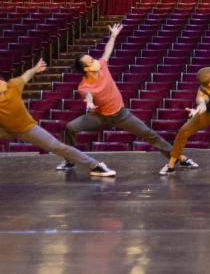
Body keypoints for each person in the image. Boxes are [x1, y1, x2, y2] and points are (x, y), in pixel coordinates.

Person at [0, 59, 116, 179]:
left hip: (27, 128)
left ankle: (96, 166)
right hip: (1, 128)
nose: (2, 82)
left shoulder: (13, 86)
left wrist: (35, 68)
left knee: (57, 146)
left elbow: (26, 75)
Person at [63, 23, 197, 175]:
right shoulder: (84, 86)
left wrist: (113, 36)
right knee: (70, 127)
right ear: (86, 69)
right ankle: (69, 160)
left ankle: (181, 158)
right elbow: (88, 96)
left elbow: (107, 50)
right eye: (90, 62)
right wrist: (90, 103)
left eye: (93, 59)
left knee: (149, 134)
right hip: (100, 116)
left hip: (121, 115)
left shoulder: (102, 66)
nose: (95, 61)